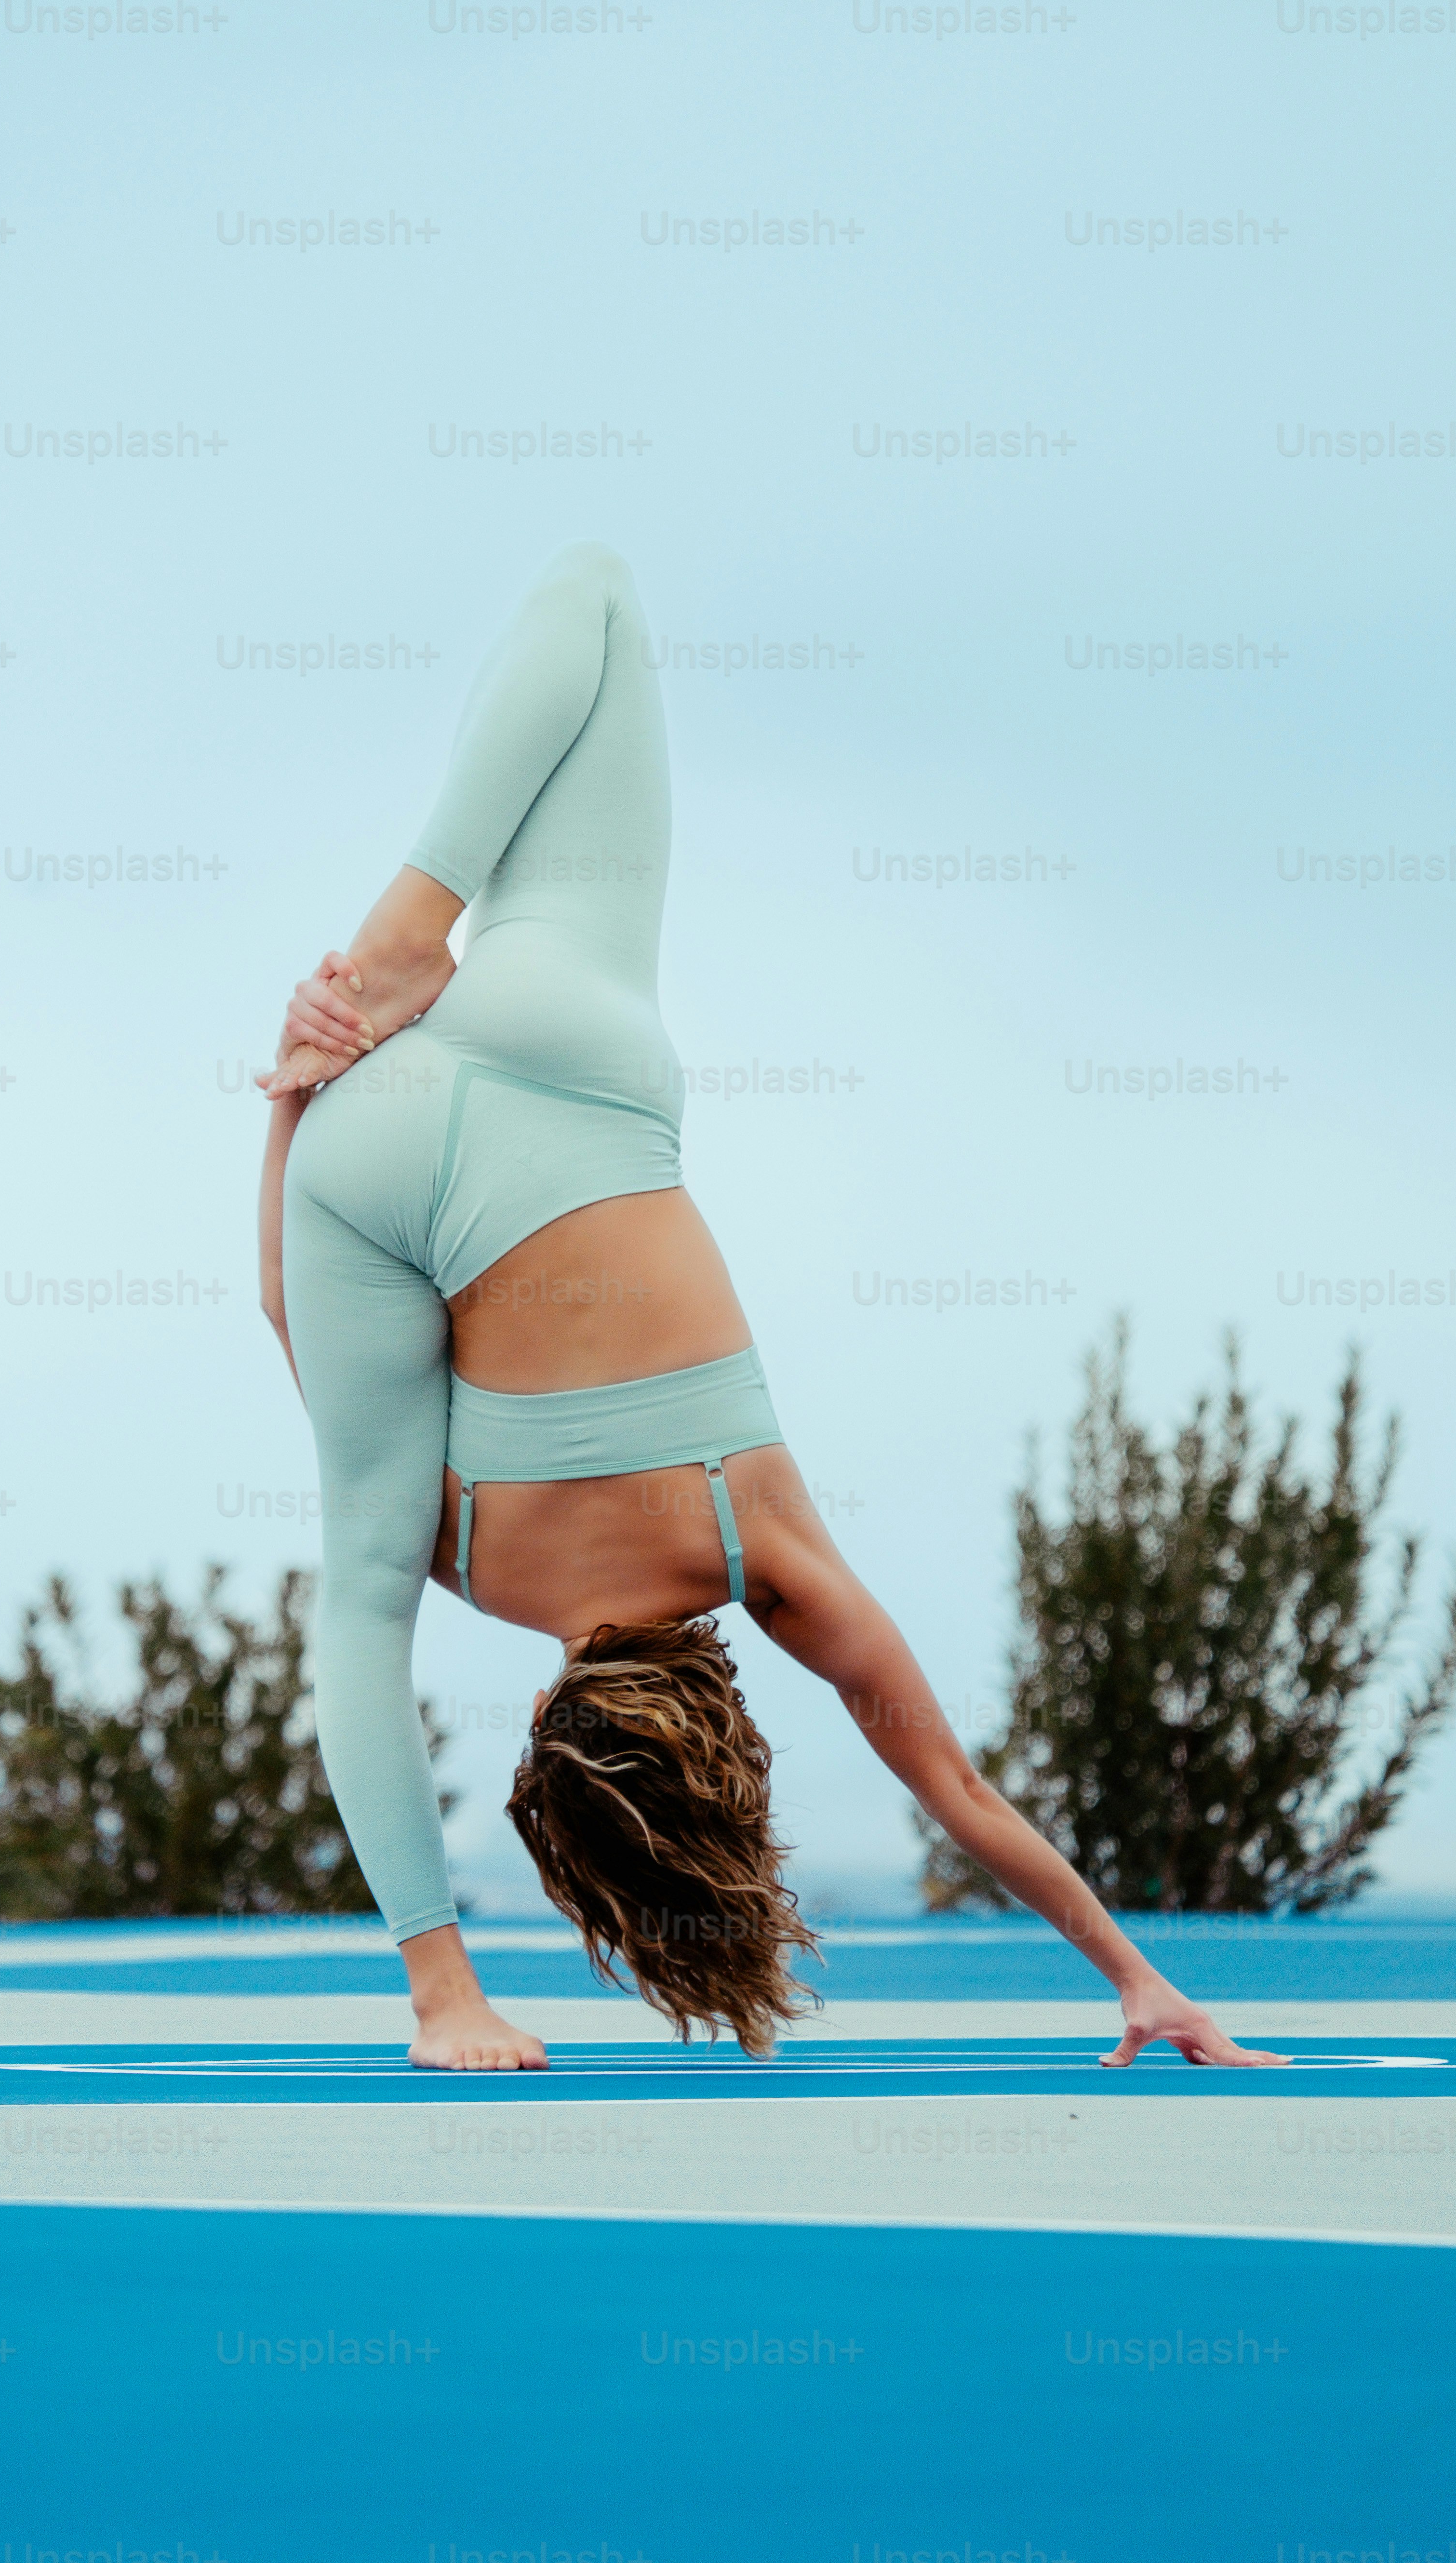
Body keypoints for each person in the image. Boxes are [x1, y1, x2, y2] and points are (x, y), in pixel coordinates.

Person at [256, 544, 1286, 2078]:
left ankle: (417, 920)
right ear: (552, 1729)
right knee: (354, 1576)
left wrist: (1137, 1976)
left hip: (578, 1065)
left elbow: (956, 1786)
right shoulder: (476, 1563)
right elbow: (289, 1317)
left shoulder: (762, 1550)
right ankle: (434, 1996)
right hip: (363, 1162)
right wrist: (291, 1099)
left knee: (595, 598)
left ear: (730, 1748)